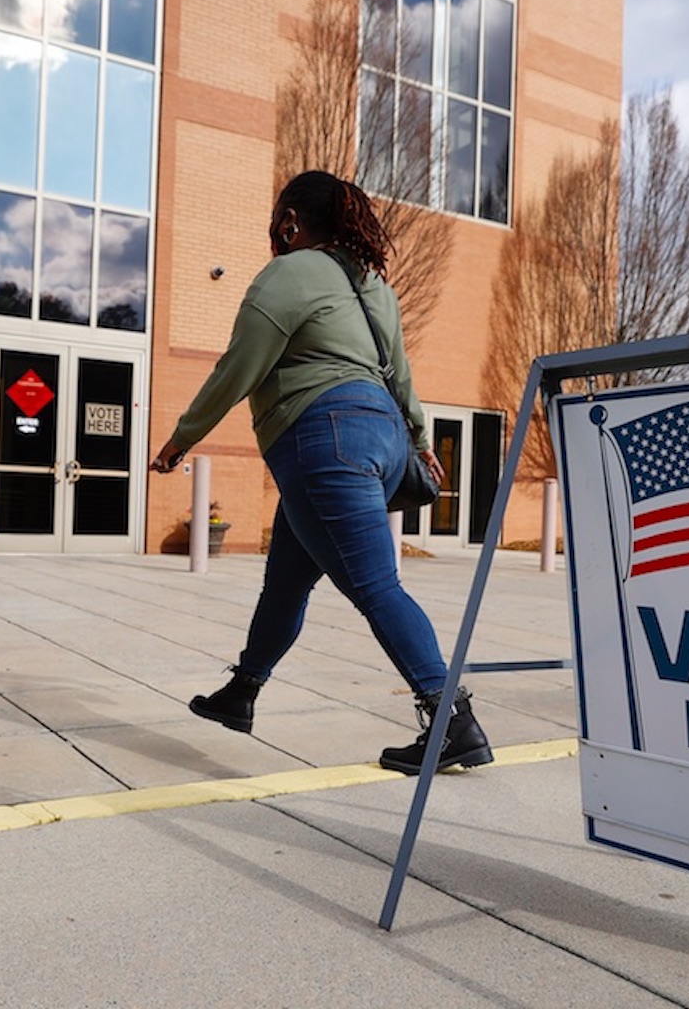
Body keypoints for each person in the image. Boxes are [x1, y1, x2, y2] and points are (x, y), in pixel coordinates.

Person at [149, 169, 492, 774]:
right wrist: (418, 437)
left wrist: (183, 437)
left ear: (291, 223)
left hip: (324, 441)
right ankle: (243, 690)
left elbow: (240, 366)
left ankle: (451, 720)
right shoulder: (373, 285)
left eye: (277, 223)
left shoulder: (288, 274)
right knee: (286, 580)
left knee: (375, 586)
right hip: (378, 440)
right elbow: (400, 376)